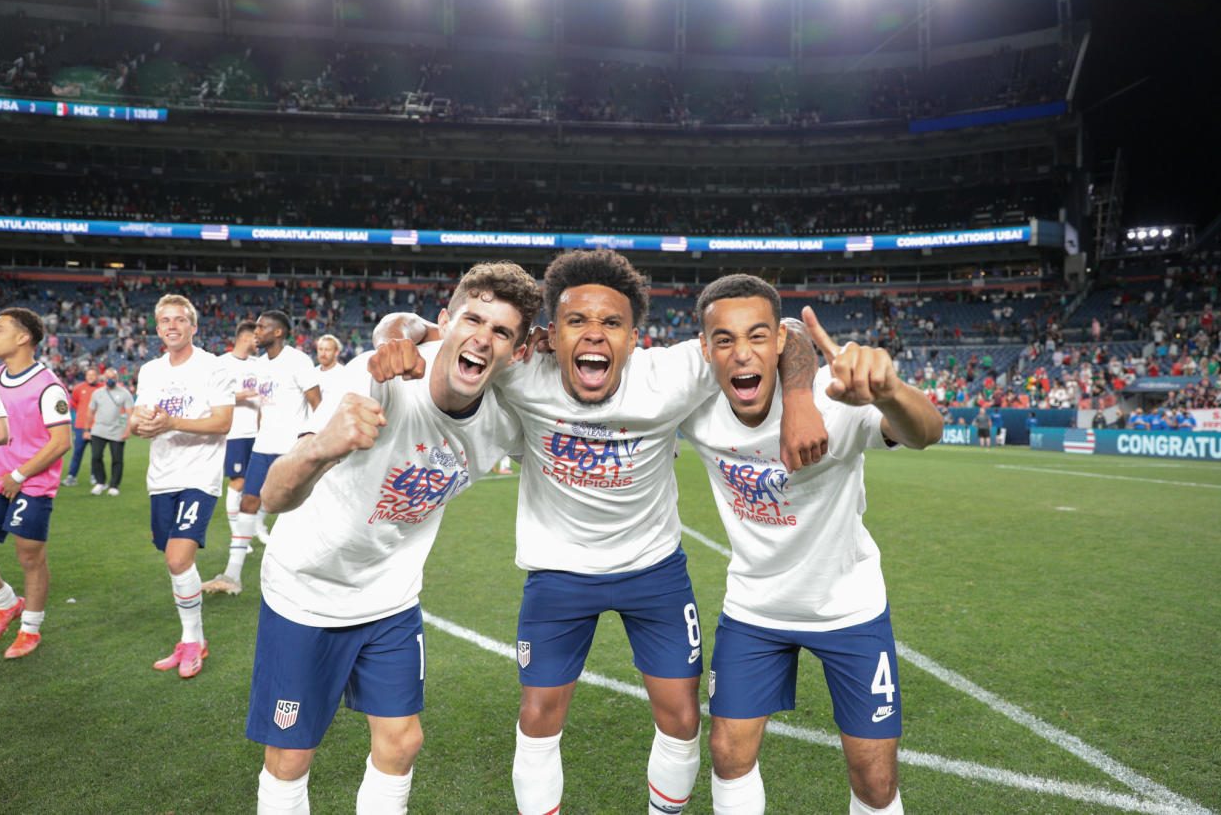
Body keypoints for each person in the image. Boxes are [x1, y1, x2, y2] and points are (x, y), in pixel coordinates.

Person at [377, 249, 827, 814]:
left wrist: (803, 398)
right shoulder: (518, 368)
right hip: (558, 572)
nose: (594, 335)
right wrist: (396, 329)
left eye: (611, 323)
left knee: (684, 718)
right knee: (538, 716)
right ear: (548, 336)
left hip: (653, 570)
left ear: (635, 338)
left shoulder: (673, 374)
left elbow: (783, 329)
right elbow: (420, 331)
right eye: (576, 322)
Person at [249, 262, 542, 814]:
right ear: (444, 323)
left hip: (391, 596)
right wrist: (320, 447)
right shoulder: (376, 377)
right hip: (306, 591)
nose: (483, 337)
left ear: (517, 351)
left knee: (403, 741)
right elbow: (273, 497)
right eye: (473, 320)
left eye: (502, 332)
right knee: (290, 758)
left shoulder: (508, 416)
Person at [677, 275, 942, 814]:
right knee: (727, 751)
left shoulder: (833, 399)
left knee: (874, 777)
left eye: (757, 336)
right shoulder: (693, 405)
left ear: (777, 341)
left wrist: (890, 390)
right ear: (705, 350)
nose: (741, 352)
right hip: (755, 607)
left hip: (847, 607)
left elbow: (926, 431)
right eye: (723, 340)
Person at [130, 295, 234, 678]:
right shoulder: (150, 371)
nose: (172, 326)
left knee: (178, 558)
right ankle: (195, 639)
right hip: (161, 478)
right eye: (165, 321)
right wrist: (144, 422)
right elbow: (140, 421)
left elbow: (222, 422)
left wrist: (172, 422)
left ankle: (192, 640)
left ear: (193, 326)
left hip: (198, 477)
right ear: (157, 329)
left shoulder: (213, 367)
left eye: (180, 320)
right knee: (175, 562)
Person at [203, 310, 319, 595]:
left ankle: (304, 576)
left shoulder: (298, 361)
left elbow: (318, 404)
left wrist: (313, 443)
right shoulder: (261, 365)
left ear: (278, 332)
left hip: (291, 449)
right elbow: (263, 407)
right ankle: (233, 574)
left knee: (295, 511)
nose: (256, 331)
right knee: (248, 504)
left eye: (261, 326)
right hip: (263, 447)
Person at [0, 308, 72, 658]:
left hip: (29, 484)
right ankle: (6, 603)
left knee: (29, 556)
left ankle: (30, 629)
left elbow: (61, 442)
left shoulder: (48, 385)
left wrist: (18, 476)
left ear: (23, 338)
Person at [219, 321, 261, 542]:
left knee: (258, 484)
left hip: (258, 432)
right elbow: (212, 398)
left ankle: (255, 527)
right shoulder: (221, 364)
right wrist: (241, 395)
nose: (259, 342)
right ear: (245, 338)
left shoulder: (258, 364)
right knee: (238, 483)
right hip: (235, 432)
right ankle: (237, 533)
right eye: (256, 338)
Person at [87, 368, 134, 496]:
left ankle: (114, 485)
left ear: (117, 378)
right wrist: (87, 429)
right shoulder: (97, 393)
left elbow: (131, 413)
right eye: (108, 377)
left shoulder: (125, 393)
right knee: (96, 456)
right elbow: (91, 411)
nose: (110, 380)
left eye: (113, 377)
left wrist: (127, 430)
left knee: (117, 459)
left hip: (117, 431)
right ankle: (100, 482)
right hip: (98, 430)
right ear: (104, 379)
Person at [63, 366, 101, 485]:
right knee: (77, 453)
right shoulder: (79, 388)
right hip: (80, 426)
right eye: (89, 375)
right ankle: (71, 476)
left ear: (97, 376)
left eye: (93, 375)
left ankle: (95, 476)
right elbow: (74, 403)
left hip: (97, 426)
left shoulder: (103, 389)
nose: (91, 377)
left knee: (97, 454)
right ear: (85, 376)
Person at [313, 333, 347, 411]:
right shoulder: (312, 373)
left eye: (327, 350)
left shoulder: (344, 374)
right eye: (320, 349)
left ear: (336, 352)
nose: (323, 354)